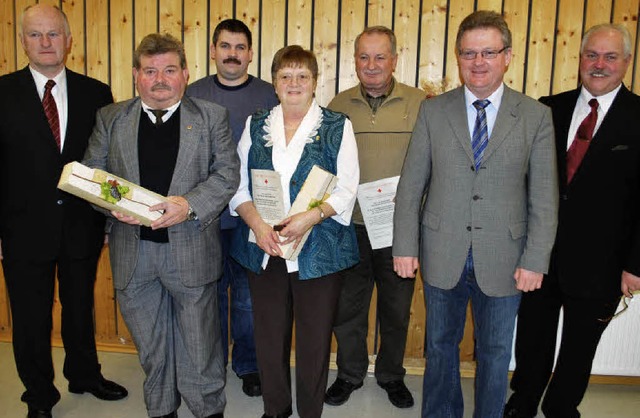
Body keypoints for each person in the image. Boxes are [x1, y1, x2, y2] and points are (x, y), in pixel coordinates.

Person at [393, 10, 558, 418]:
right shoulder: (434, 111)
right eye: (469, 53)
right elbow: (412, 185)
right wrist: (404, 247)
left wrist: (536, 259)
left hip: (505, 255)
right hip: (441, 249)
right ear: (458, 57)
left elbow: (544, 196)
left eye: (488, 52)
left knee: (496, 351)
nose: (478, 61)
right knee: (439, 346)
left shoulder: (535, 116)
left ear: (508, 56)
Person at [82, 33, 239, 418]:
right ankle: (162, 409)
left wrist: (189, 205)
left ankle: (207, 409)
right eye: (150, 71)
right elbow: (93, 175)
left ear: (185, 74)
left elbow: (226, 175)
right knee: (152, 346)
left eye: (169, 70)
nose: (160, 79)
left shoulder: (211, 117)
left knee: (200, 344)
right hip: (133, 252)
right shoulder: (110, 118)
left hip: (190, 247)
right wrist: (111, 206)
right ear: (136, 75)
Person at [504, 23, 640, 418]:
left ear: (626, 63)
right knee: (533, 337)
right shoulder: (548, 108)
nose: (599, 64)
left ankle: (562, 406)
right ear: (579, 59)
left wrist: (635, 265)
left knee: (581, 343)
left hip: (604, 263)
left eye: (610, 56)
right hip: (540, 254)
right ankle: (523, 400)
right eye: (591, 55)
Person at [0, 5, 127, 418]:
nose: (46, 42)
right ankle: (38, 395)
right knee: (31, 318)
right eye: (35, 35)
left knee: (79, 307)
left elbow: (109, 163)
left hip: (81, 224)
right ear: (23, 42)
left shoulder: (97, 93)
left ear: (68, 39)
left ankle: (85, 375)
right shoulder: (1, 93)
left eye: (53, 34)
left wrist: (108, 217)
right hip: (21, 229)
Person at [229, 45, 359, 418]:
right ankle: (276, 409)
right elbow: (238, 186)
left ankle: (309, 412)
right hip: (264, 245)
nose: (294, 82)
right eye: (285, 75)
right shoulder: (256, 125)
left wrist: (308, 218)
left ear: (315, 82)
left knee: (314, 341)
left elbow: (346, 188)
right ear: (274, 82)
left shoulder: (337, 125)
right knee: (269, 336)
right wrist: (257, 223)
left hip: (318, 248)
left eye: (303, 75)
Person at [324, 26, 424, 409]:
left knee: (397, 310)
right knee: (347, 307)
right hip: (349, 227)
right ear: (355, 61)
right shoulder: (338, 104)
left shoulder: (419, 103)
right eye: (364, 57)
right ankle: (349, 374)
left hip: (400, 229)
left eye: (380, 56)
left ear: (395, 60)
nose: (371, 65)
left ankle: (391, 375)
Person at [187, 18, 278, 398]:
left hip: (251, 217)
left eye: (240, 48)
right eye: (225, 46)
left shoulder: (270, 95)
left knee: (245, 298)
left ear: (250, 54)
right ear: (213, 51)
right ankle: (211, 365)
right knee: (207, 295)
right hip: (202, 215)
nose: (232, 54)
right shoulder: (191, 93)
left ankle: (248, 365)